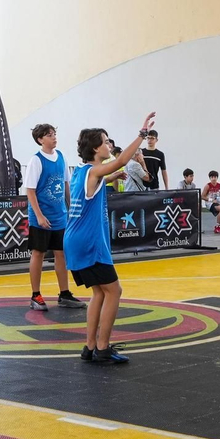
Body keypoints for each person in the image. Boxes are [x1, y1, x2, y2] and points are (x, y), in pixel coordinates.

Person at [66, 113, 157, 364]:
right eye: (106, 142)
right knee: (114, 291)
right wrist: (142, 134)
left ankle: (90, 346)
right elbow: (123, 160)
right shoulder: (95, 171)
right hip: (89, 242)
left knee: (99, 293)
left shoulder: (82, 172)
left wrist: (111, 178)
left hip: (75, 239)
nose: (110, 146)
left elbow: (97, 180)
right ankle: (103, 347)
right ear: (96, 148)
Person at [23, 122, 82, 312]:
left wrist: (71, 208)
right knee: (38, 253)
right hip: (41, 217)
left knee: (61, 253)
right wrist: (39, 215)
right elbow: (30, 191)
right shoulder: (36, 160)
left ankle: (64, 293)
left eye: (54, 133)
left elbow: (66, 184)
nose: (54, 137)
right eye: (49, 135)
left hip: (60, 216)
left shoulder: (61, 157)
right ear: (40, 139)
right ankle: (35, 295)